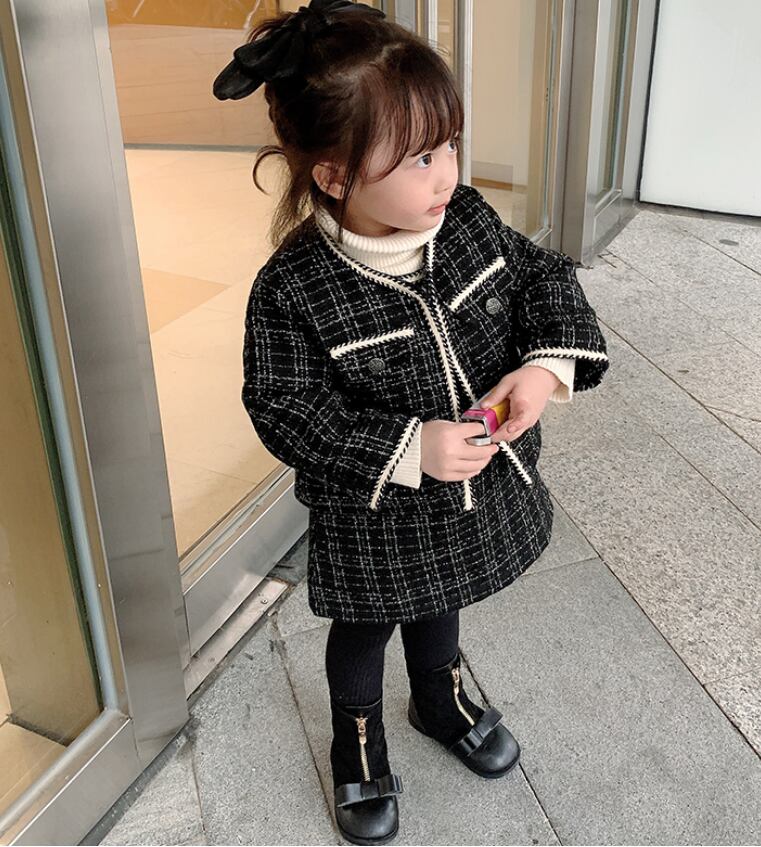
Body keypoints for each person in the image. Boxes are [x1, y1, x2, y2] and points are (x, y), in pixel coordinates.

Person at [213, 2, 609, 843]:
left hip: (471, 491)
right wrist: (407, 446)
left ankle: (440, 696)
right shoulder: (293, 290)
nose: (446, 175)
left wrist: (543, 367)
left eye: (449, 144)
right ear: (333, 177)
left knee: (442, 599)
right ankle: (356, 741)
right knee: (364, 630)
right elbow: (285, 406)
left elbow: (542, 276)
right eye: (420, 158)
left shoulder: (464, 221)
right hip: (374, 513)